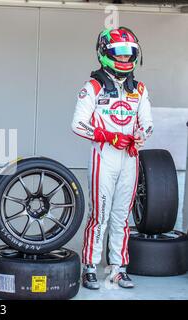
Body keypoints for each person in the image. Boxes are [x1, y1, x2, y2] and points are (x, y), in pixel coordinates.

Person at [71, 27, 153, 289]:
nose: (125, 59)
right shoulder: (92, 86)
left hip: (130, 158)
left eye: (130, 53)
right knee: (100, 216)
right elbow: (77, 124)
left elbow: (148, 124)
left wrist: (142, 134)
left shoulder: (139, 89)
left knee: (121, 217)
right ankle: (90, 267)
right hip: (103, 158)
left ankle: (118, 267)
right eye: (118, 52)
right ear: (104, 53)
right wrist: (108, 136)